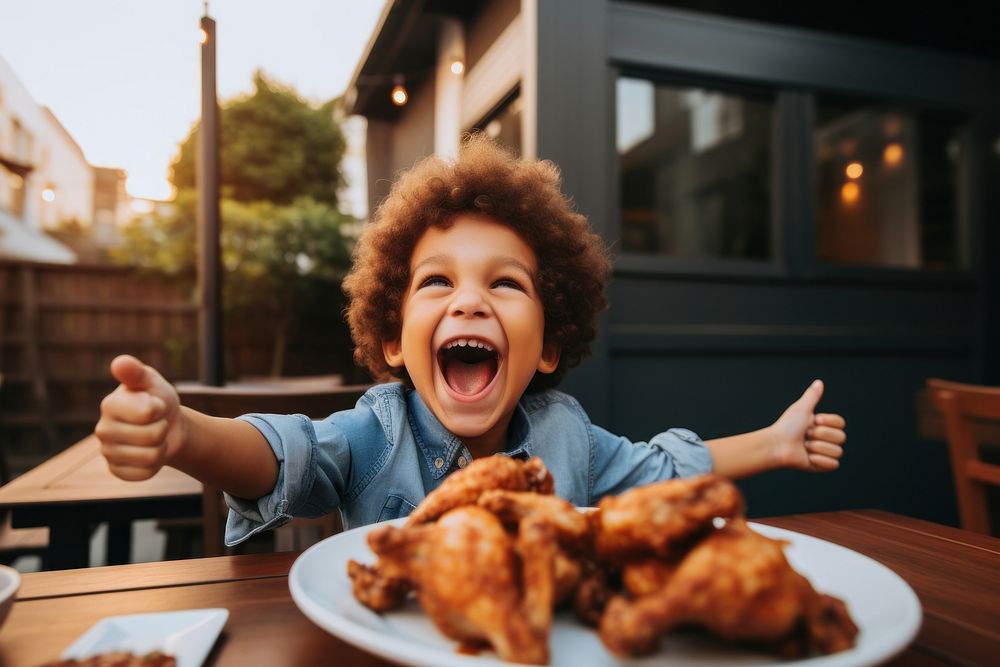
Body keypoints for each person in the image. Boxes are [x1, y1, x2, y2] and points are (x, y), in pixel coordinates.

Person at [95, 135, 846, 547]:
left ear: (548, 345)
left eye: (505, 284)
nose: (471, 303)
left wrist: (774, 444)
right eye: (437, 283)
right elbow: (281, 455)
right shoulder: (374, 432)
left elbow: (662, 468)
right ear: (393, 338)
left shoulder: (568, 437)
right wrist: (184, 432)